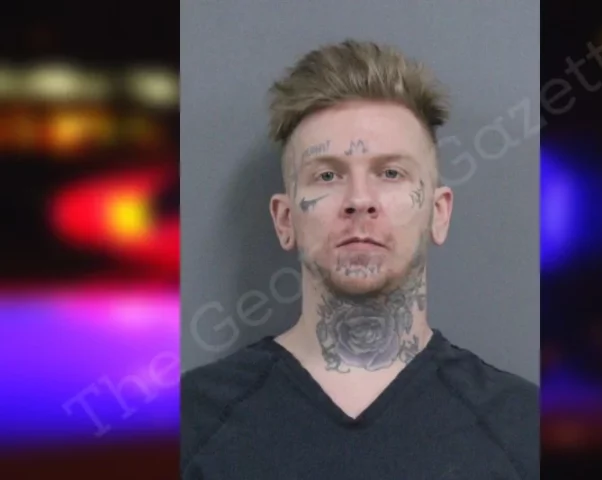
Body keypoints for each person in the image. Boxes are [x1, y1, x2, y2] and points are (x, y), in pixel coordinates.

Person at [181, 39, 538, 480]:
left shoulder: (522, 429)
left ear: (439, 213)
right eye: (327, 175)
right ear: (285, 220)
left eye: (391, 173)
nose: (360, 200)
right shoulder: (192, 422)